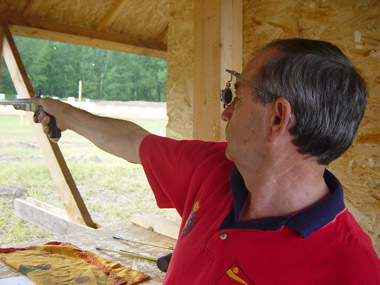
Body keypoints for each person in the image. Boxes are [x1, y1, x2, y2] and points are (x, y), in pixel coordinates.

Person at [34, 38, 380, 284]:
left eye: (238, 96)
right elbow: (134, 142)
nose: (228, 112)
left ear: (278, 119)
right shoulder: (215, 166)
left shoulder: (352, 270)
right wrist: (63, 113)